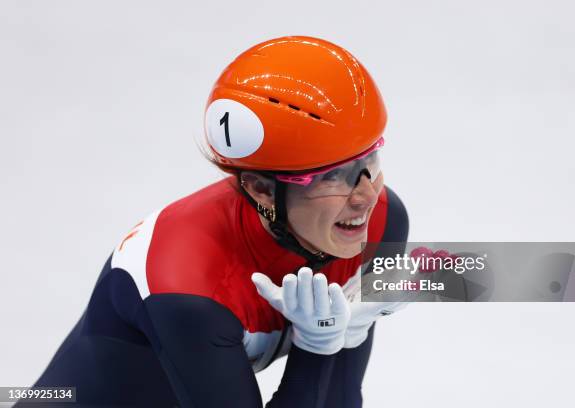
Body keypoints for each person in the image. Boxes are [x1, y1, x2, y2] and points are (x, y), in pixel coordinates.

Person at [18, 36, 409, 407]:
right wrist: (321, 346)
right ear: (259, 188)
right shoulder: (187, 288)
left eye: (369, 162)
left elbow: (462, 275)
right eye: (332, 176)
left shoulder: (381, 222)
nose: (366, 196)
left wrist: (350, 335)